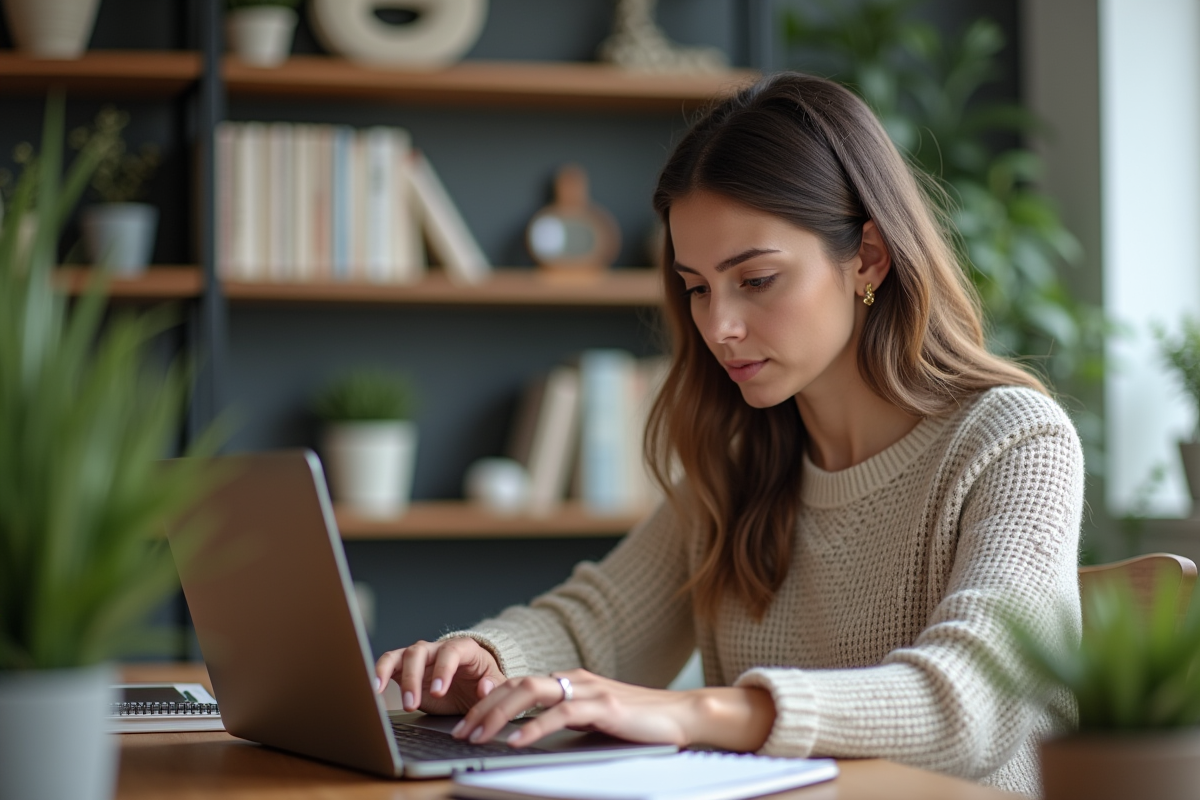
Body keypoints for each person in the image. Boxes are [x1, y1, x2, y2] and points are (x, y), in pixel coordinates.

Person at [374, 72, 1082, 797]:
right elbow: (600, 625)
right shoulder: (743, 461)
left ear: (868, 257)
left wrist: (698, 712)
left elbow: (977, 700)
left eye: (757, 279)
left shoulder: (1013, 441)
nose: (719, 327)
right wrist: (492, 662)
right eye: (698, 287)